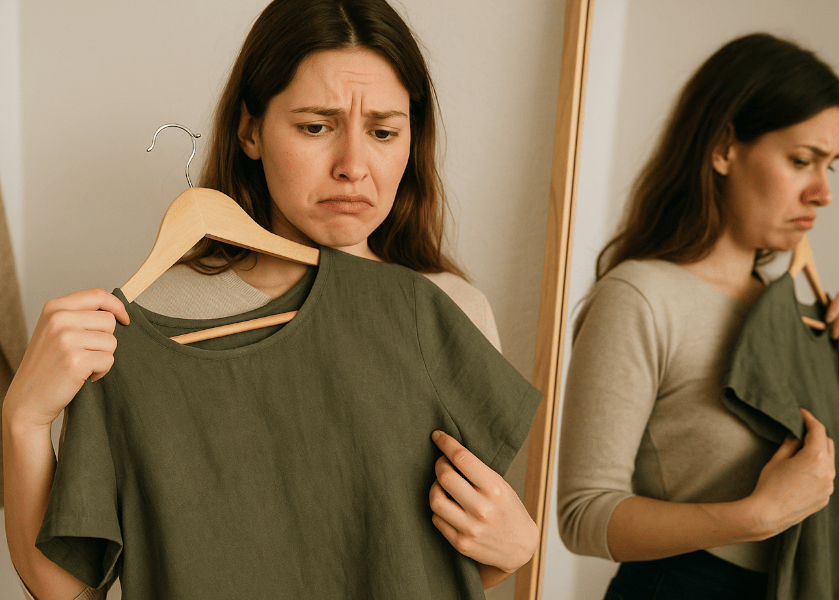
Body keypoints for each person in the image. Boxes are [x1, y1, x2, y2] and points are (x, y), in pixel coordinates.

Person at [2, 1, 539, 598]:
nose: (354, 167)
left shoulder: (448, 310)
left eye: (384, 132)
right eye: (316, 127)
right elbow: (69, 592)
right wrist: (23, 419)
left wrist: (515, 549)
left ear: (413, 142)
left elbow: (424, 565)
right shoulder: (134, 330)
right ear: (250, 130)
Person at [556, 33, 839, 599]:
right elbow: (583, 514)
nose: (823, 192)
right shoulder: (641, 296)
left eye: (831, 167)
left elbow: (824, 489)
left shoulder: (792, 315)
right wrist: (754, 515)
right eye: (802, 161)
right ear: (724, 148)